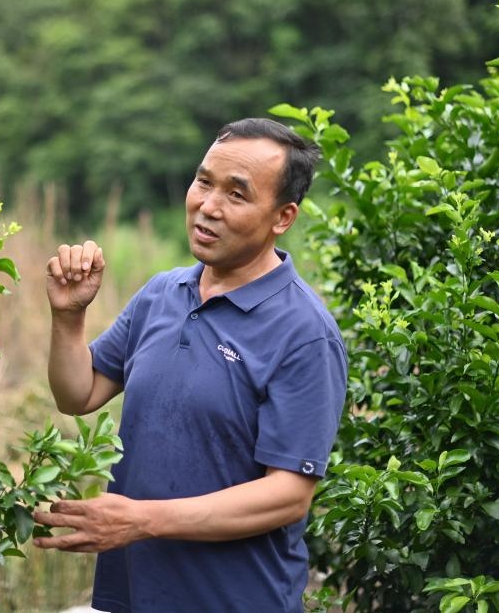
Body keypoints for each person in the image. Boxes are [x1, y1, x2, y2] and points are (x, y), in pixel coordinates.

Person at [34, 118, 347, 612]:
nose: (209, 206)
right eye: (204, 182)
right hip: (132, 596)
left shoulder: (305, 332)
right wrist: (68, 317)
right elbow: (79, 393)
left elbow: (289, 495)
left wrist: (141, 520)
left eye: (237, 195)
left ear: (283, 217)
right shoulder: (162, 293)